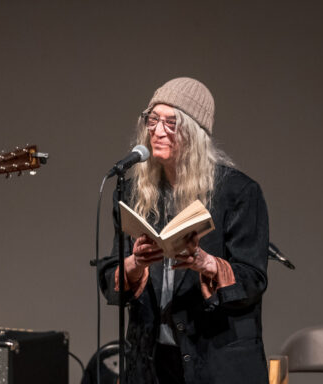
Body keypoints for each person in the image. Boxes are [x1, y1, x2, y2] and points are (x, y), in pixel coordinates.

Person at [100, 77, 269, 383]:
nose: (158, 131)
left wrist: (207, 264)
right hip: (150, 364)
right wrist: (136, 263)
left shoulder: (238, 192)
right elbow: (110, 275)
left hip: (214, 361)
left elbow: (253, 280)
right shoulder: (132, 192)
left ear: (194, 132)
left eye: (171, 123)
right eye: (153, 120)